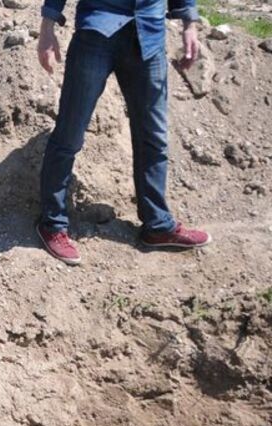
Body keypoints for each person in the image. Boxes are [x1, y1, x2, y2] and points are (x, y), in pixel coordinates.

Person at [35, 0, 211, 266]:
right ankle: (52, 223)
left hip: (148, 35)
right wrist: (48, 25)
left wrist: (189, 23)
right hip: (97, 31)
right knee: (70, 134)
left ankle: (157, 225)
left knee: (153, 137)